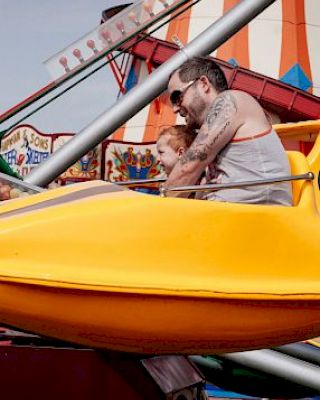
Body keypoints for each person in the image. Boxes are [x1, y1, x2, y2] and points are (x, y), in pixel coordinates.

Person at [164, 57, 292, 205]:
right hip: (228, 217)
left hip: (257, 219)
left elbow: (188, 168)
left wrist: (157, 208)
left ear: (204, 84)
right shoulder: (218, 136)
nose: (174, 109)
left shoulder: (230, 100)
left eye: (177, 97)